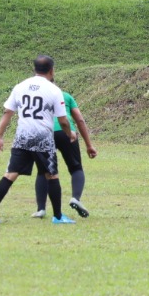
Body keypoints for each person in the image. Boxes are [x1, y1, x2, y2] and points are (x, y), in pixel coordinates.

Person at [0, 55, 77, 224]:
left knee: (10, 174)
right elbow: (63, 120)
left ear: (34, 69)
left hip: (23, 137)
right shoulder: (53, 90)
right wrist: (70, 133)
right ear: (51, 70)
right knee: (52, 175)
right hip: (43, 138)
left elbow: (7, 113)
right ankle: (58, 216)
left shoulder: (20, 86)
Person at [33, 80, 97, 219]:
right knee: (75, 168)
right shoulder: (65, 96)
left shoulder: (37, 98)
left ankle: (41, 209)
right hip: (66, 132)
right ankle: (75, 198)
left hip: (44, 132)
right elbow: (79, 120)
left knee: (43, 171)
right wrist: (89, 145)